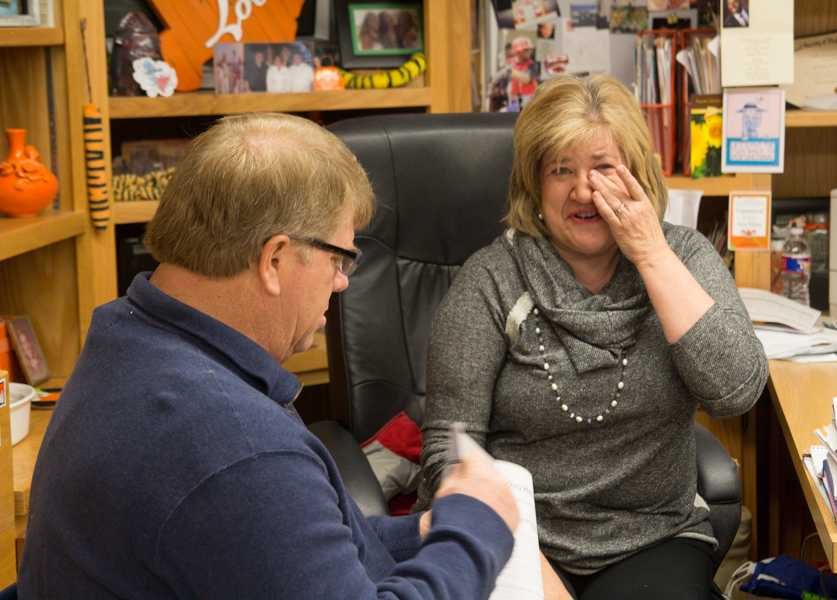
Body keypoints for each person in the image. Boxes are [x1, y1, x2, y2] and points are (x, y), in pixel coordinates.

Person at [18, 113, 519, 598]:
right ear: (274, 260)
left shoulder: (130, 335)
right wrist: (476, 530)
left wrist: (429, 530)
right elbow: (254, 504)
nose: (343, 281)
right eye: (339, 258)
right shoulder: (233, 444)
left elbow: (273, 551)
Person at [417, 75, 768, 599]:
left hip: (653, 537)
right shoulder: (491, 278)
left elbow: (737, 392)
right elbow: (450, 445)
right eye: (562, 171)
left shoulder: (683, 257)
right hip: (518, 536)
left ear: (639, 175)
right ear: (535, 185)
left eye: (604, 169)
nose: (584, 192)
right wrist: (510, 551)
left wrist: (650, 253)